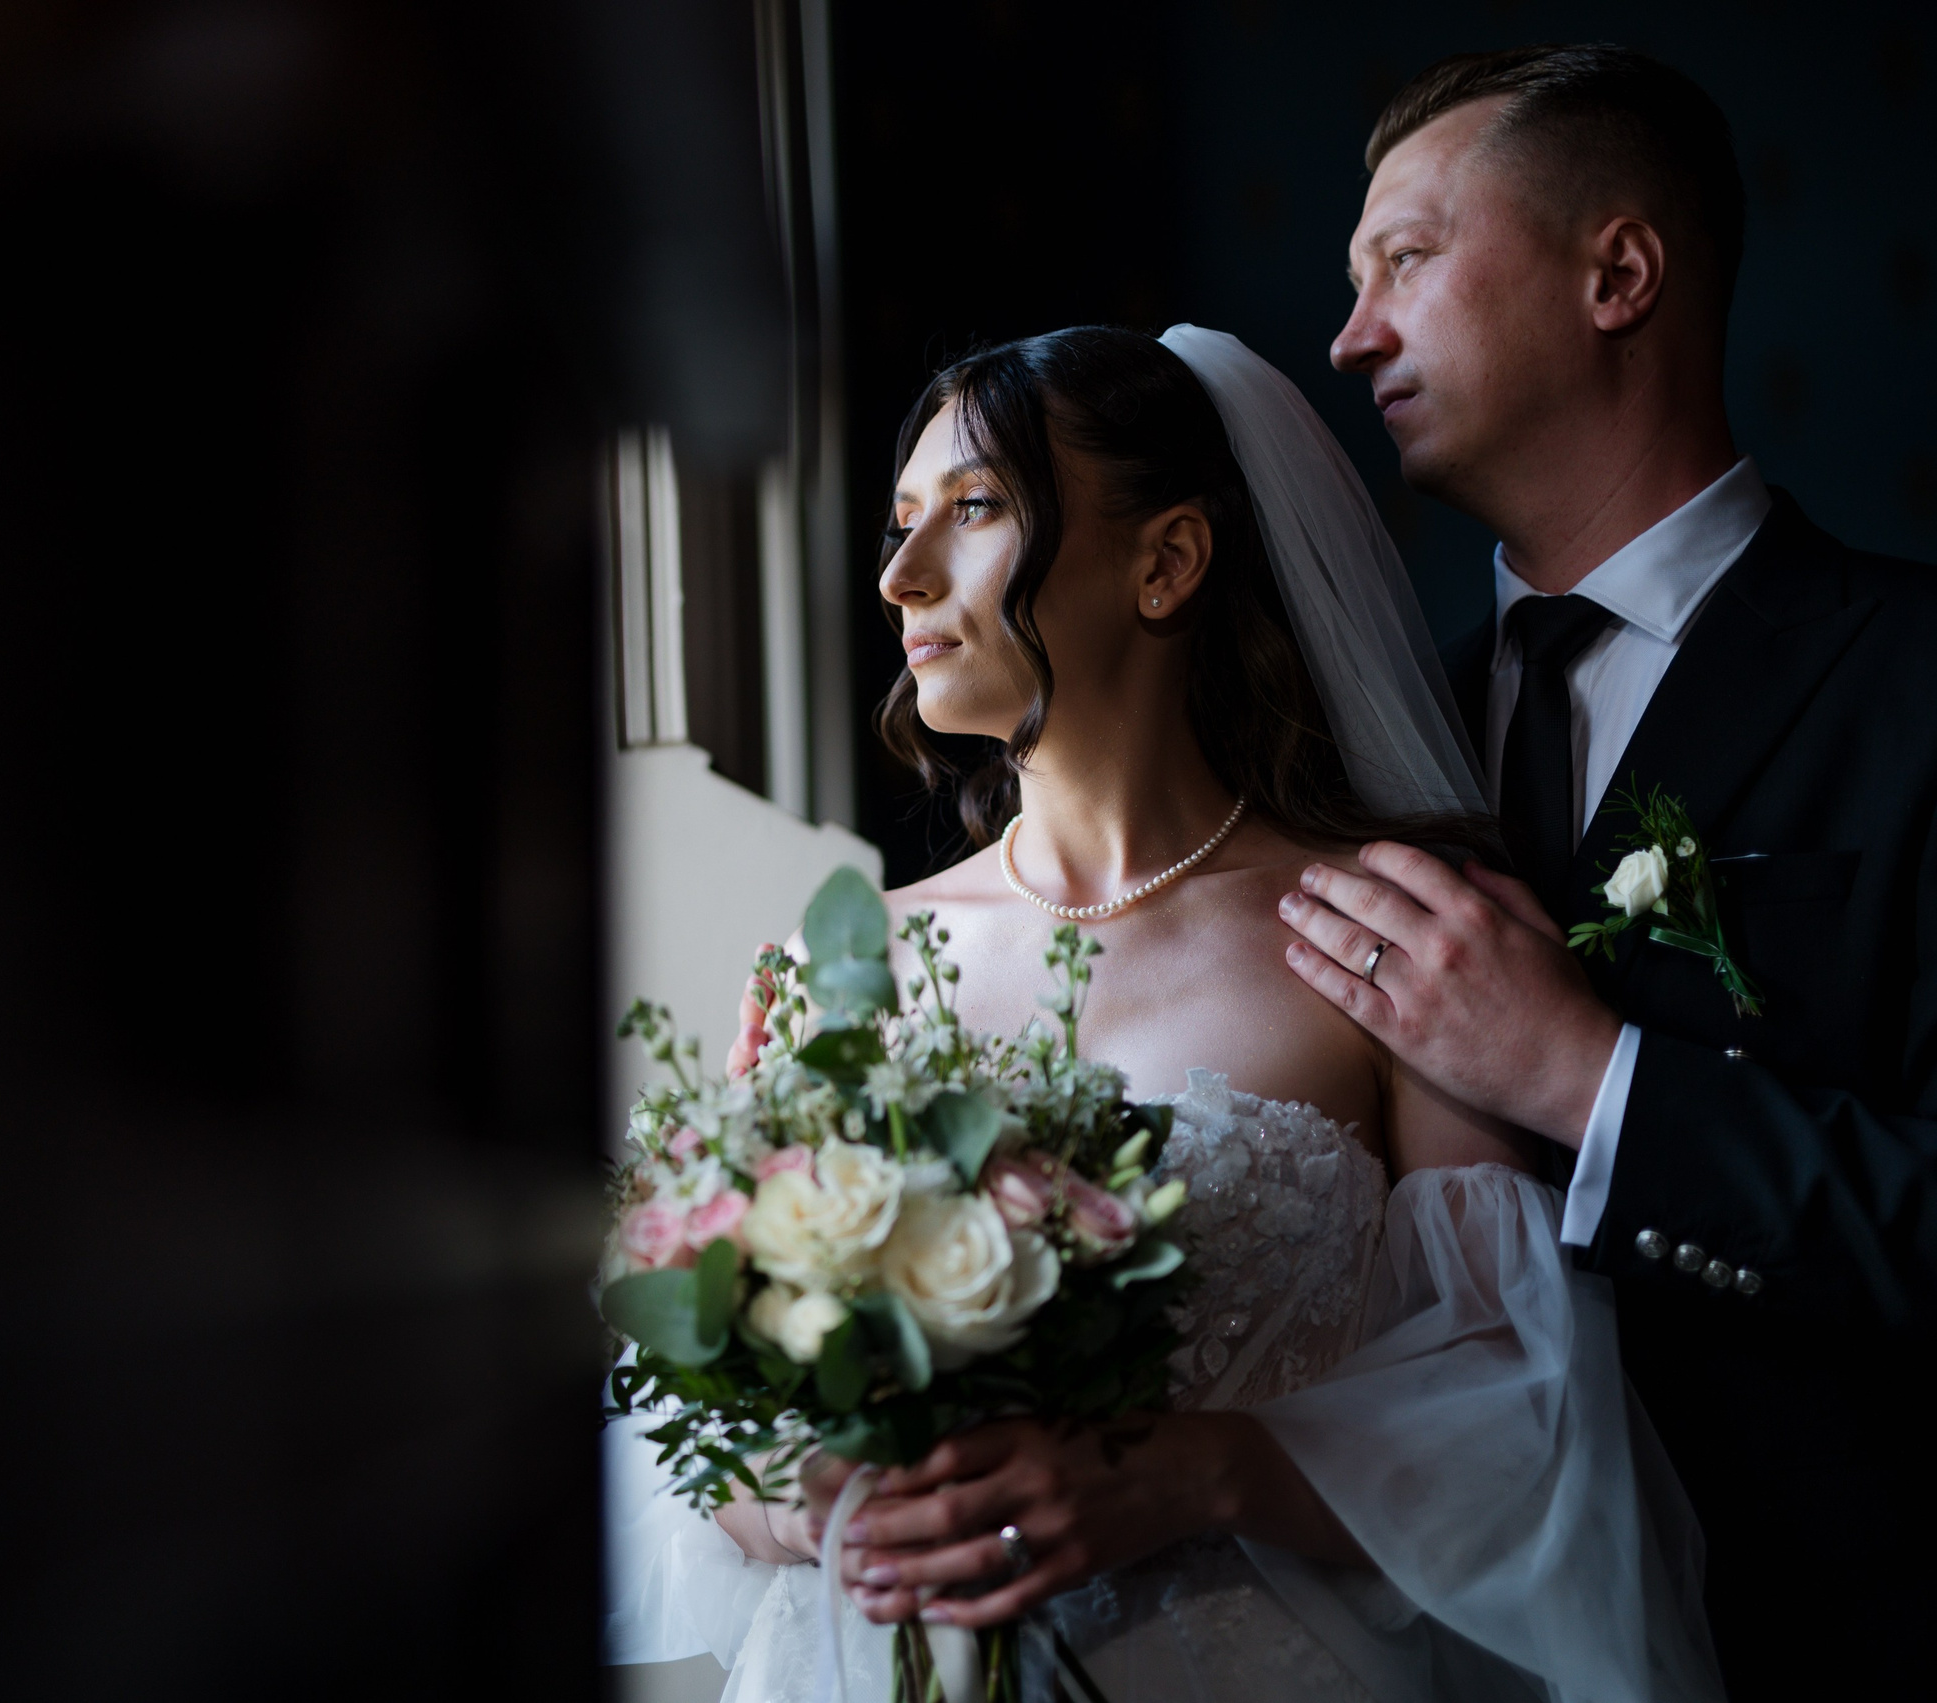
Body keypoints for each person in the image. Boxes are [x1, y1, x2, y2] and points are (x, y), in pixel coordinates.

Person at [607, 324, 1722, 1703]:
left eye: (973, 510)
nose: (902, 578)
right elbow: (693, 1407)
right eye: (901, 525)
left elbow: (1523, 1410)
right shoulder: (840, 968)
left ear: (1166, 561)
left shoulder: (1389, 936)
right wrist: (818, 1508)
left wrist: (1194, 1472)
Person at [1278, 46, 1935, 1693]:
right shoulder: (1358, 755)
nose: (1351, 339)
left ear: (1618, 274)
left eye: (1405, 263)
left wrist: (1586, 1077)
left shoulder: (1916, 680)